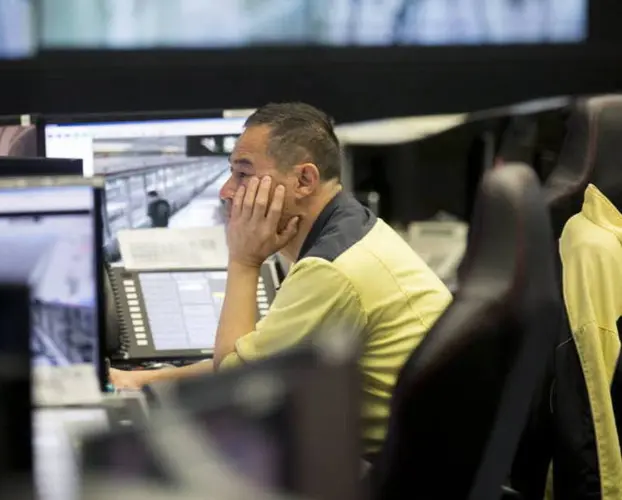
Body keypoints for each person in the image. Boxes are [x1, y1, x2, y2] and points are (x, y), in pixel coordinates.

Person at [110, 102, 452, 459]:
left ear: (304, 180)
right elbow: (254, 355)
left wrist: (244, 260)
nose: (226, 191)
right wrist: (143, 379)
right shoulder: (352, 229)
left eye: (243, 174)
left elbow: (235, 385)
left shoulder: (330, 269)